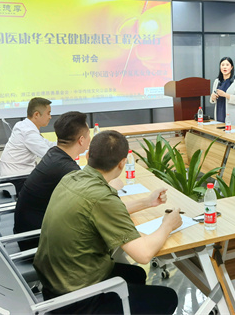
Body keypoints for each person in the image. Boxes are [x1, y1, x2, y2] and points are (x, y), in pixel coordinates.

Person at [33, 130, 180, 314]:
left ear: (88, 155)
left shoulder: (72, 178)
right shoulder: (102, 198)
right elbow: (143, 254)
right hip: (76, 300)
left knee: (136, 274)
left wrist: (147, 202)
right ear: (122, 163)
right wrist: (168, 224)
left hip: (55, 283)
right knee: (167, 298)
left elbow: (100, 210)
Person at [13, 111, 114, 251]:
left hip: (28, 233)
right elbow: (100, 206)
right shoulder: (67, 169)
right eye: (88, 135)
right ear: (81, 140)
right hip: (38, 242)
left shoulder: (54, 154)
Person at [0, 97, 56, 177]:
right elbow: (50, 157)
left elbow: (45, 143)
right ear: (36, 114)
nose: (50, 117)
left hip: (13, 172)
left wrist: (65, 145)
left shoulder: (22, 125)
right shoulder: (29, 132)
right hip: (16, 178)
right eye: (48, 113)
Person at [210, 56, 235, 127]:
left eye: (227, 65)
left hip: (232, 115)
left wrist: (225, 95)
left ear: (231, 67)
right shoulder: (217, 81)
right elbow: (212, 99)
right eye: (222, 65)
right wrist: (213, 97)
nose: (224, 67)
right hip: (219, 112)